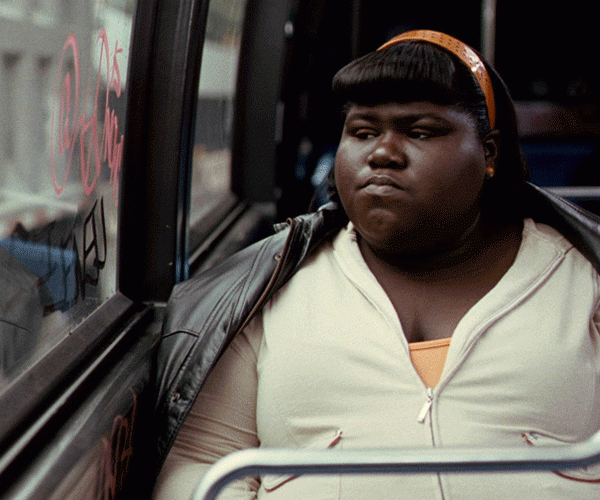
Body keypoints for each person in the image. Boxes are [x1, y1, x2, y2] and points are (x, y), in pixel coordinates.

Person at [150, 30, 600, 499]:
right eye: (363, 133)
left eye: (420, 132)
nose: (383, 153)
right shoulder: (265, 289)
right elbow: (204, 464)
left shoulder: (579, 277)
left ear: (489, 152)